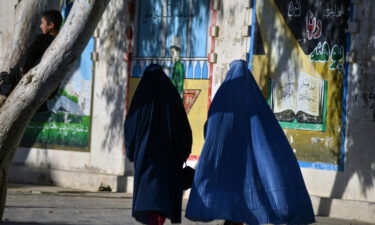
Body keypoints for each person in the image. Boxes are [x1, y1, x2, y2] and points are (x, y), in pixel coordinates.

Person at [185, 60, 315, 225]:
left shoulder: (223, 99)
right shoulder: (256, 101)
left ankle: (233, 219)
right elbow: (270, 133)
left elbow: (210, 128)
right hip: (249, 162)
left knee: (232, 197)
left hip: (228, 161)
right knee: (245, 199)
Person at [124, 64, 192, 225]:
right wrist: (183, 152)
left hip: (146, 157)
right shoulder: (172, 96)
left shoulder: (142, 98)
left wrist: (132, 152)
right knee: (163, 196)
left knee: (149, 196)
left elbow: (130, 127)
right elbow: (184, 128)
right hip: (169, 157)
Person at [0, 10, 63, 110]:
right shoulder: (60, 44)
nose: (40, 26)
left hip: (15, 85)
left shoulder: (42, 40)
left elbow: (26, 60)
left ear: (51, 25)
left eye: (42, 23)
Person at [170, 36, 185, 100]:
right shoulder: (175, 65)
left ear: (178, 52)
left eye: (173, 53)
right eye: (171, 53)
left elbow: (180, 83)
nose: (172, 55)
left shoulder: (179, 66)